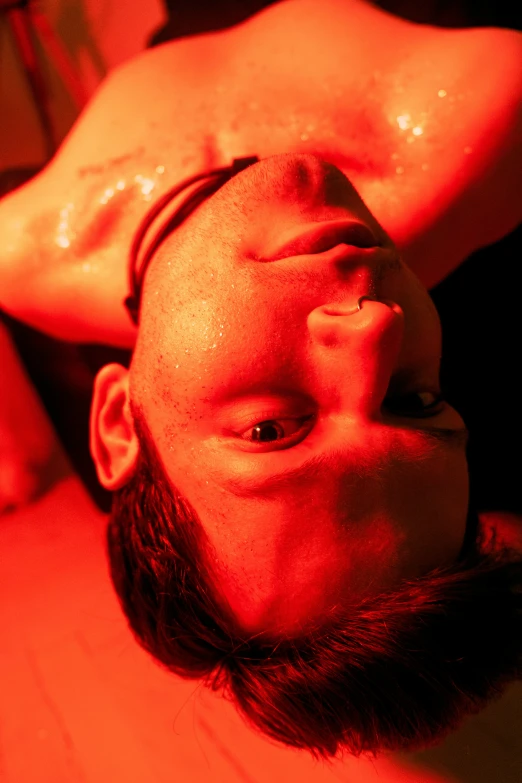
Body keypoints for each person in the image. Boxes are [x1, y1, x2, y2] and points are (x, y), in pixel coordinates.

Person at [1, 0, 521, 763]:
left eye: (274, 429)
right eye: (415, 400)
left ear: (119, 419)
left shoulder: (22, 248)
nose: (377, 327)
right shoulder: (482, 124)